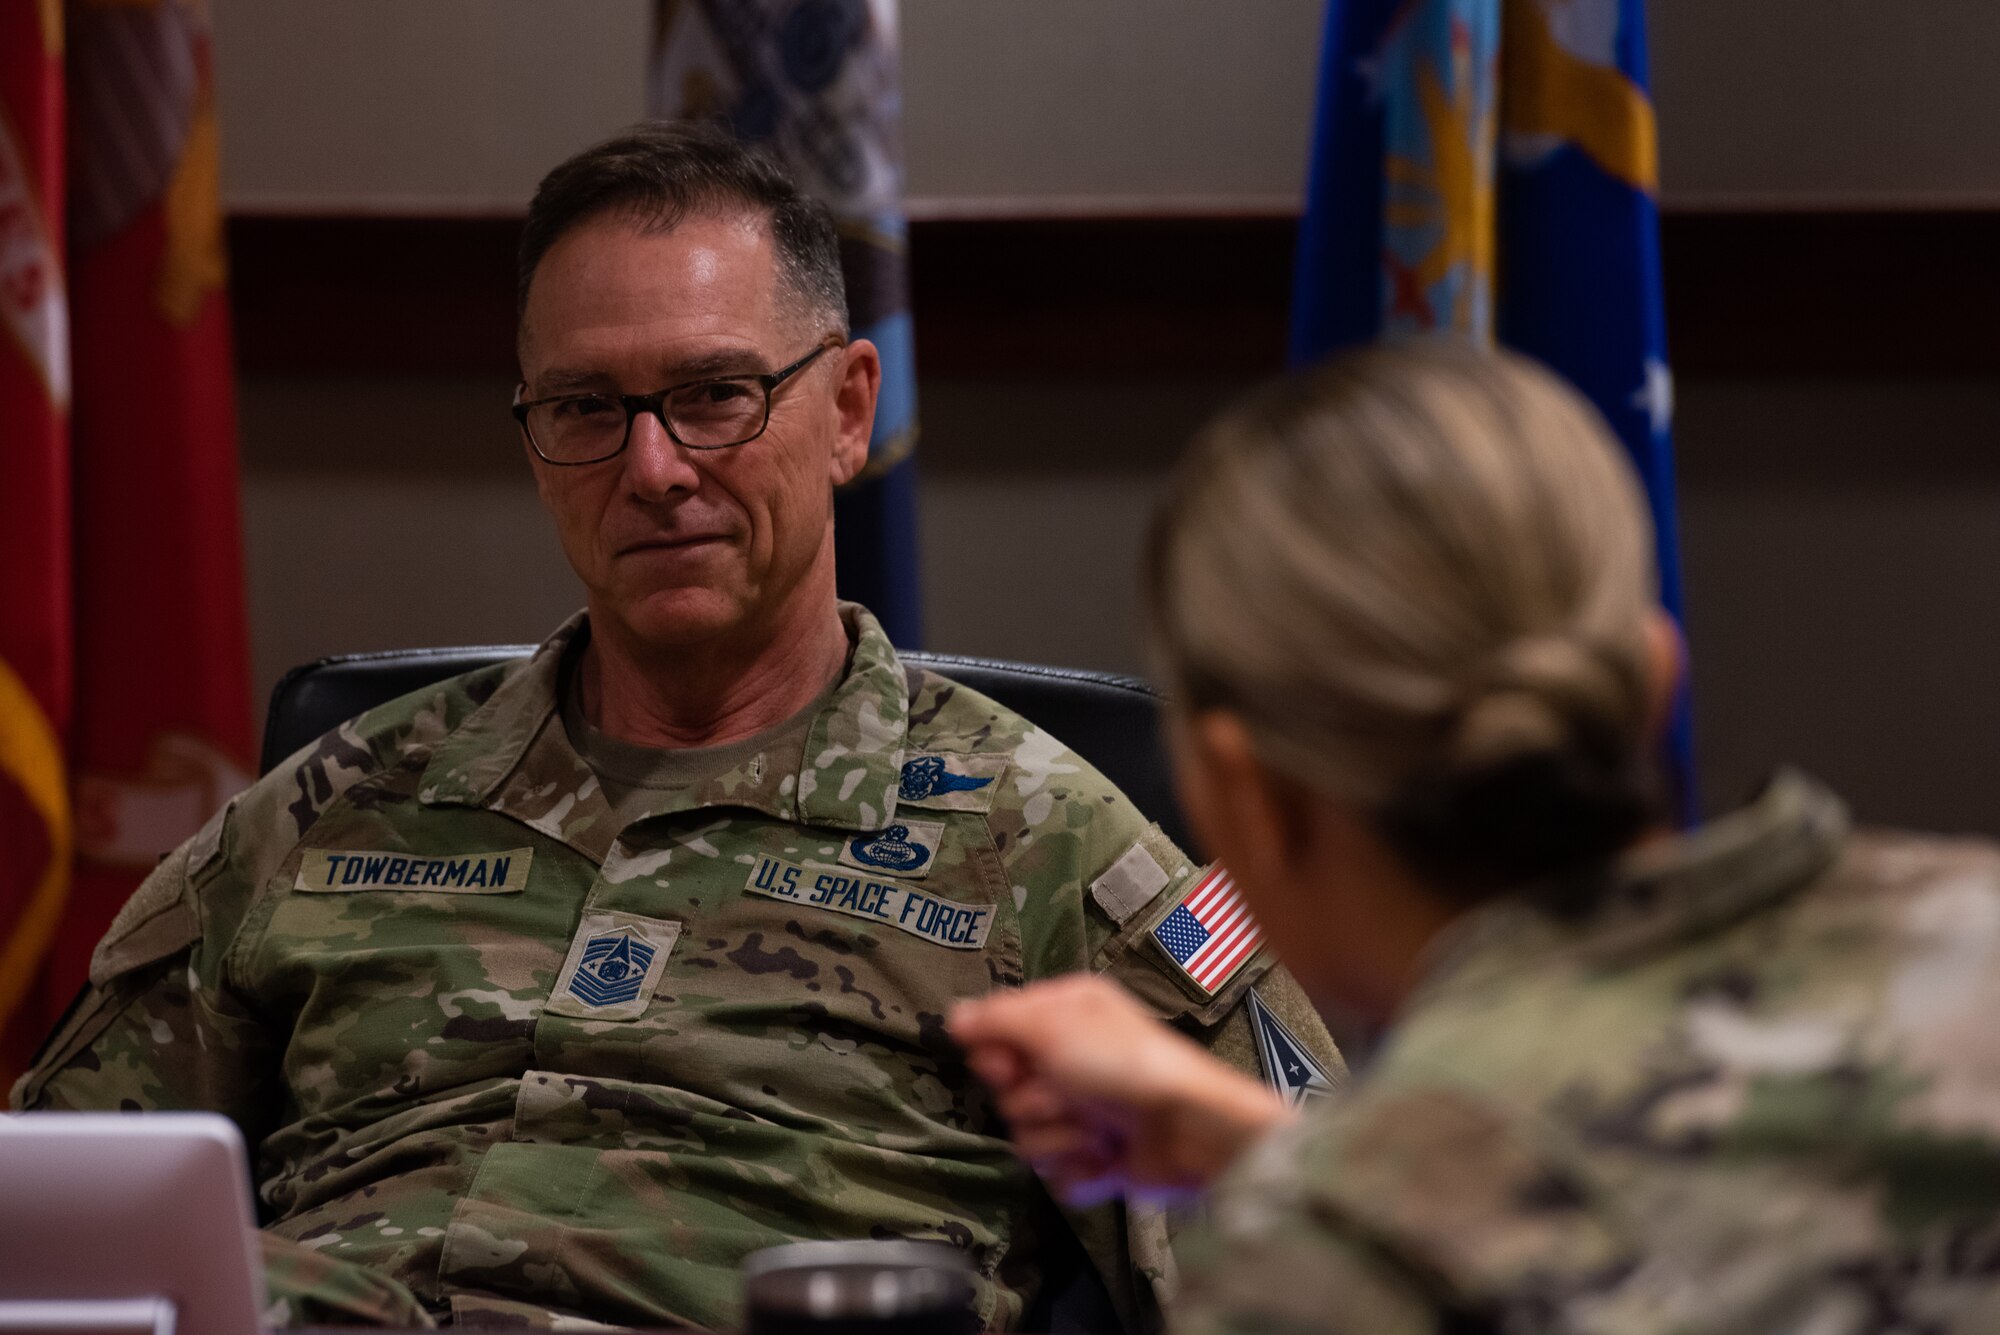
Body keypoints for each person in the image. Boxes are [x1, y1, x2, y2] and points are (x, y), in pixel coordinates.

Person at [10, 123, 1341, 1332]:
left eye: (715, 393)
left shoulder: (1061, 849)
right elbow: (51, 1200)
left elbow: (1328, 1257)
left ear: (848, 409)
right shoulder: (326, 807)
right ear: (535, 441)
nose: (654, 468)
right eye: (587, 407)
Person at [952, 340, 2000, 1333]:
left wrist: (1334, 1191)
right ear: (1652, 678)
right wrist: (1301, 1159)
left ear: (1245, 791)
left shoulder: (1335, 1268)